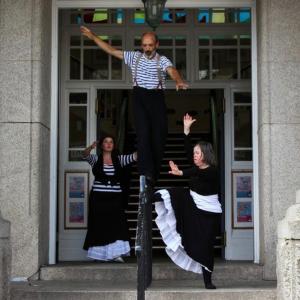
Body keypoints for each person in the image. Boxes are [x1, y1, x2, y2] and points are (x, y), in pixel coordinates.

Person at [80, 26, 188, 186]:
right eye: (144, 45)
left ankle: (154, 174)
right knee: (143, 136)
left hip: (156, 98)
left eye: (150, 45)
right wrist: (93, 36)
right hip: (139, 97)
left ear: (156, 45)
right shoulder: (134, 57)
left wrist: (178, 80)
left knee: (158, 137)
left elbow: (172, 70)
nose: (147, 49)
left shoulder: (162, 60)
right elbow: (111, 50)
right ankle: (145, 172)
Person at [153, 114, 222, 289]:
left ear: (205, 154)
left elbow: (198, 173)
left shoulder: (212, 171)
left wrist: (182, 173)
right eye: (194, 153)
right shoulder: (197, 168)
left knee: (206, 247)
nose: (194, 155)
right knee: (177, 193)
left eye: (197, 153)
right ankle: (148, 199)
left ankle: (208, 281)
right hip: (194, 208)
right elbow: (186, 155)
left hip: (209, 215)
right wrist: (186, 130)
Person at [82, 135, 137, 262]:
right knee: (99, 225)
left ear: (113, 145)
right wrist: (91, 147)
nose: (108, 144)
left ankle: (116, 254)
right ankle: (99, 255)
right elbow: (84, 155)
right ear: (102, 145)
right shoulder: (95, 159)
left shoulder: (120, 159)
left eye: (111, 142)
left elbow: (134, 156)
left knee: (117, 225)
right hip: (98, 198)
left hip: (115, 198)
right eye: (106, 142)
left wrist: (144, 142)